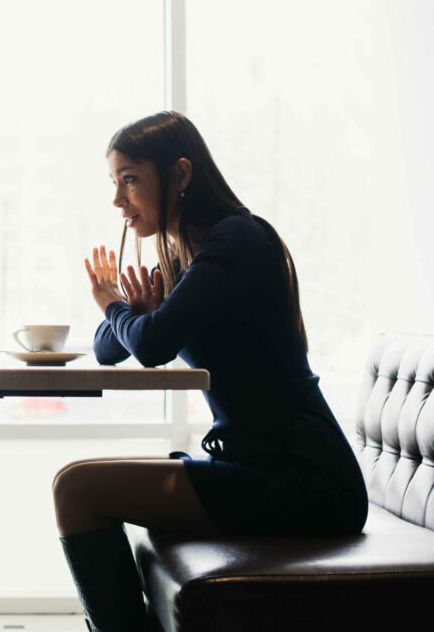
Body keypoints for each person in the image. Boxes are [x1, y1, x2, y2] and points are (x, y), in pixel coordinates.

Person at [52, 111, 367, 632]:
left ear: (179, 175)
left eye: (129, 179)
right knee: (75, 485)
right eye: (114, 182)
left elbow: (148, 345)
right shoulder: (188, 256)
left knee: (77, 489)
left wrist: (115, 304)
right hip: (262, 468)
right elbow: (111, 349)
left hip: (305, 480)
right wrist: (131, 312)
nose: (117, 200)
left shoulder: (236, 241)